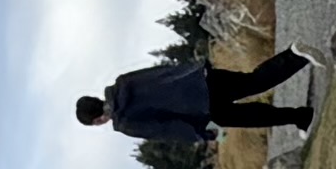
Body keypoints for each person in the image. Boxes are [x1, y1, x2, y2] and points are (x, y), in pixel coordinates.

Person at [81, 44, 315, 142]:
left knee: (252, 117)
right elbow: (163, 72)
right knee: (253, 81)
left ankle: (300, 115)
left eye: (96, 123)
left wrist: (203, 135)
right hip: (200, 78)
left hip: (203, 109)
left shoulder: (125, 122)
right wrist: (195, 69)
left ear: (97, 120)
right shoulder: (123, 81)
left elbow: (166, 129)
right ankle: (295, 57)